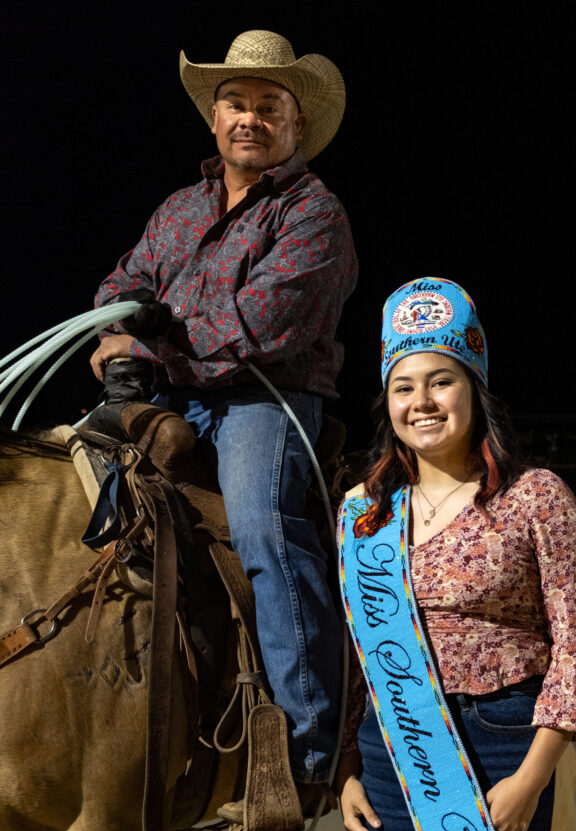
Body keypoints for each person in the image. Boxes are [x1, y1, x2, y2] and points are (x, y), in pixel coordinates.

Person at [88, 30, 358, 791]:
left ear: (295, 124)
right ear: (214, 119)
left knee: (261, 527)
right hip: (175, 393)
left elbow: (263, 326)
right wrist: (116, 329)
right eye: (235, 103)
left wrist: (147, 338)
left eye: (268, 106)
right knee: (85, 495)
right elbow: (118, 284)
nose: (249, 118)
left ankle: (312, 740)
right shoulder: (179, 209)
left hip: (264, 398)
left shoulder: (314, 214)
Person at [337, 277, 576, 831]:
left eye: (441, 381)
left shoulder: (534, 498)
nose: (421, 402)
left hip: (506, 747)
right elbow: (351, 655)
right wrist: (344, 774)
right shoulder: (362, 512)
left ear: (473, 389)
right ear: (387, 401)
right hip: (391, 756)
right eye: (404, 386)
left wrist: (532, 779)